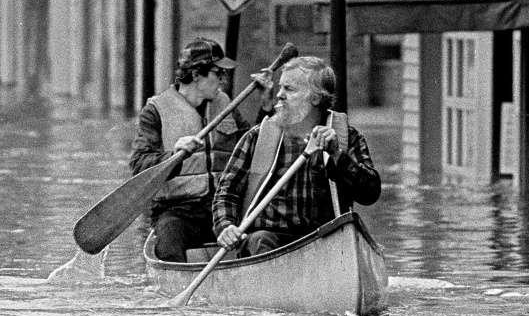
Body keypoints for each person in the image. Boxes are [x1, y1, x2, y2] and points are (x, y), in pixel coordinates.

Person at [212, 55, 380, 258]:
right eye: (281, 87)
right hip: (268, 242)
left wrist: (337, 155)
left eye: (289, 89)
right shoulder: (256, 137)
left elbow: (370, 194)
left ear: (316, 98)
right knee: (260, 240)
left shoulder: (346, 138)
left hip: (324, 241)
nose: (279, 95)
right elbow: (226, 193)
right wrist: (226, 226)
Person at [129, 37, 274, 262]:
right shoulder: (155, 111)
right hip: (178, 212)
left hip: (225, 209)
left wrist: (266, 106)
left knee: (261, 239)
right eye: (218, 73)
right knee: (168, 250)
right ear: (197, 74)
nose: (223, 81)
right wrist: (173, 155)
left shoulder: (224, 103)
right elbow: (139, 166)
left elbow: (256, 146)